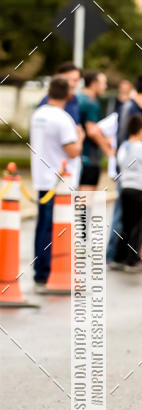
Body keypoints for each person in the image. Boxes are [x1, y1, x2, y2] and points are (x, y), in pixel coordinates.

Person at [30, 77, 83, 289]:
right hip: (60, 181)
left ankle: (39, 270)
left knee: (42, 225)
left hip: (41, 177)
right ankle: (49, 270)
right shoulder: (63, 119)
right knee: (55, 227)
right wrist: (80, 137)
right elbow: (72, 150)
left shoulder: (38, 114)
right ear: (69, 95)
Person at [106, 75, 142, 263]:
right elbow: (121, 140)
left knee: (133, 220)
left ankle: (130, 254)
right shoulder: (130, 108)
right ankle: (116, 255)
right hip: (131, 175)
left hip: (140, 175)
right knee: (125, 218)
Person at [112, 115, 142, 273]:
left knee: (126, 223)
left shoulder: (123, 147)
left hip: (126, 188)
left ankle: (119, 257)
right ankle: (132, 260)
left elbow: (119, 164)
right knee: (138, 226)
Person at [77, 70, 114, 192]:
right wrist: (109, 151)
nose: (106, 86)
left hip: (77, 156)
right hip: (89, 157)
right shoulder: (91, 103)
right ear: (94, 84)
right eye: (103, 83)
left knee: (77, 200)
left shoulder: (76, 99)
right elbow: (92, 131)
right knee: (85, 202)